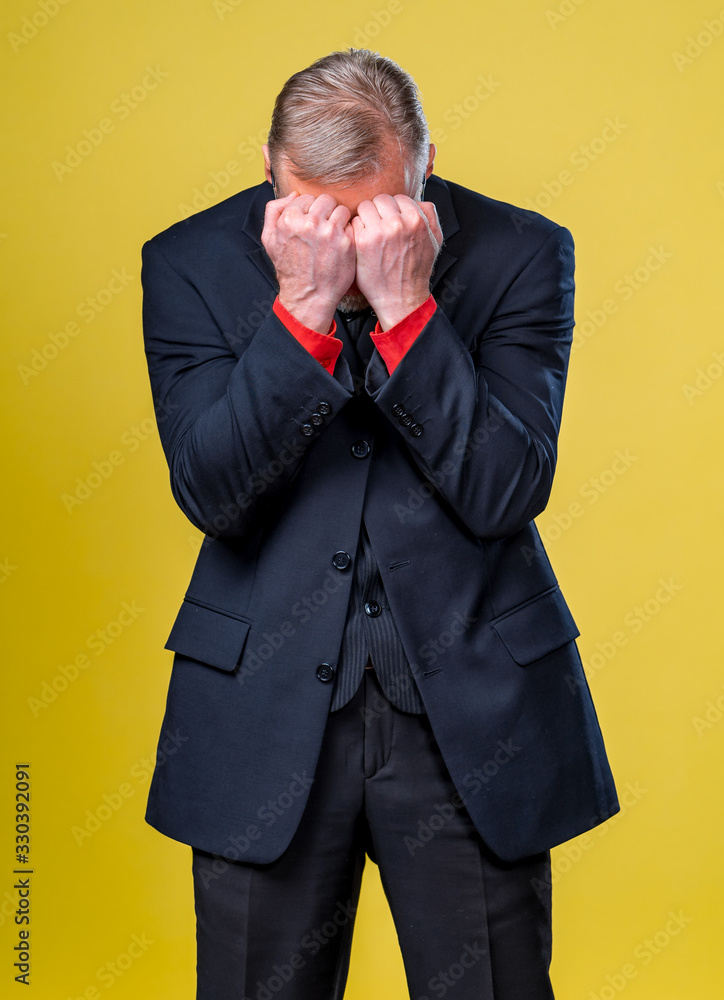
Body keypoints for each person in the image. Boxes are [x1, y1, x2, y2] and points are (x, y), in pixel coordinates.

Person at [141, 48, 618, 1000]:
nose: (353, 244)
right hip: (261, 717)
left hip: (473, 719)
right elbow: (213, 493)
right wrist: (301, 310)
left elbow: (503, 489)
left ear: (426, 163)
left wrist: (408, 310)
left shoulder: (523, 252)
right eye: (323, 214)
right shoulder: (187, 263)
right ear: (270, 172)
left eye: (379, 212)